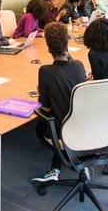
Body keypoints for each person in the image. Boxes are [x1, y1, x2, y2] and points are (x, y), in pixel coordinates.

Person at [30, 22, 86, 184]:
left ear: (48, 47)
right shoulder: (78, 65)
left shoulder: (45, 71)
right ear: (67, 42)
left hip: (64, 129)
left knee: (41, 128)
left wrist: (41, 90)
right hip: (85, 123)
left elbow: (44, 104)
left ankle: (62, 159)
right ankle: (73, 162)